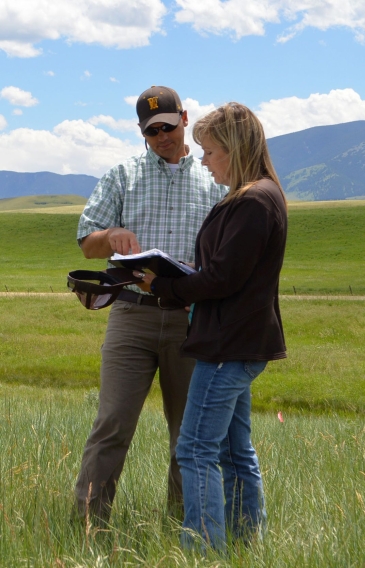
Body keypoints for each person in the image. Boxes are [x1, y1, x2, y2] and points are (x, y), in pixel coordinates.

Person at [134, 102, 287, 552]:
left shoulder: (253, 201)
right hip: (240, 342)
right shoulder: (257, 195)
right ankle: (243, 544)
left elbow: (223, 278)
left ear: (235, 150)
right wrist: (183, 276)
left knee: (196, 449)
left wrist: (165, 286)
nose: (203, 161)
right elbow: (226, 269)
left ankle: (204, 550)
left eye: (210, 152)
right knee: (233, 451)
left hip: (227, 346)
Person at [73, 85, 227, 523]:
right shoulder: (122, 175)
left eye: (168, 125)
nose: (162, 136)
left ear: (184, 117)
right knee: (113, 426)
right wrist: (111, 236)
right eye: (151, 130)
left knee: (189, 437)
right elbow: (87, 241)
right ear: (142, 132)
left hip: (191, 321)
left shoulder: (212, 179)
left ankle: (183, 530)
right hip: (131, 315)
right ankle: (86, 525)